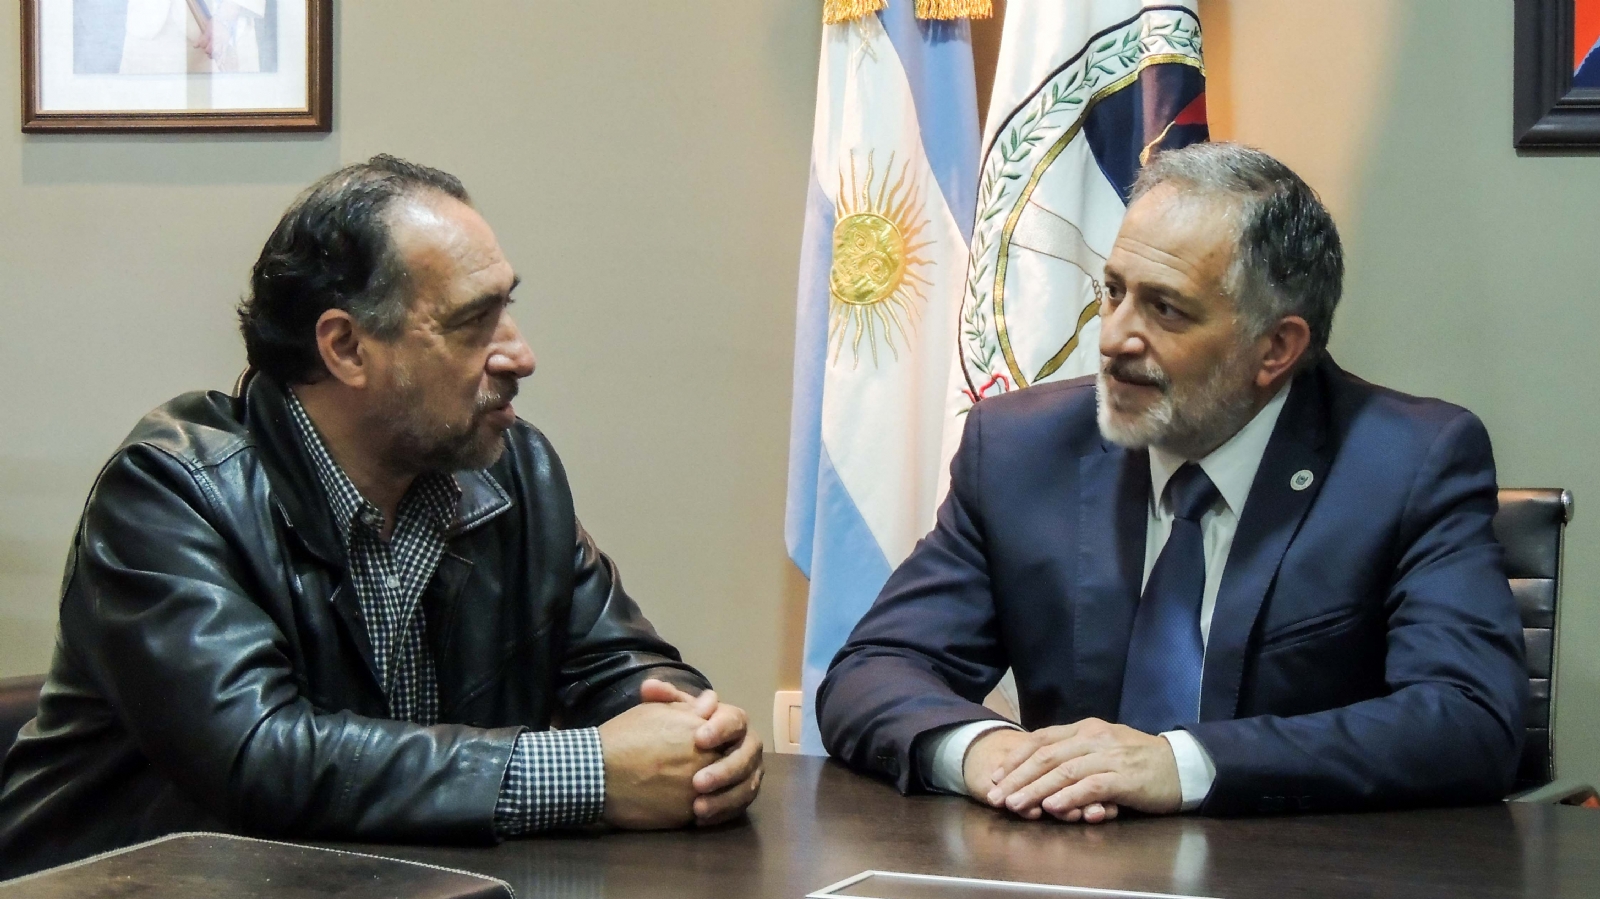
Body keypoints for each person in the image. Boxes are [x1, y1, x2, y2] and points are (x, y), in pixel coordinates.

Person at [0, 155, 762, 877]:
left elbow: (618, 661)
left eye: (508, 306)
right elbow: (258, 756)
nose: (520, 354)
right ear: (346, 347)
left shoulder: (513, 469)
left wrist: (696, 739)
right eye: (473, 321)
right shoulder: (173, 490)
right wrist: (587, 771)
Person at [816, 143, 1526, 823]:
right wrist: (987, 754)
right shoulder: (1021, 451)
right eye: (1113, 292)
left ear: (1276, 347)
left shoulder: (1408, 464)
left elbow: (1469, 718)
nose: (1112, 339)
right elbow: (874, 669)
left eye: (1166, 309)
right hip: (1068, 865)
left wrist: (1180, 765)